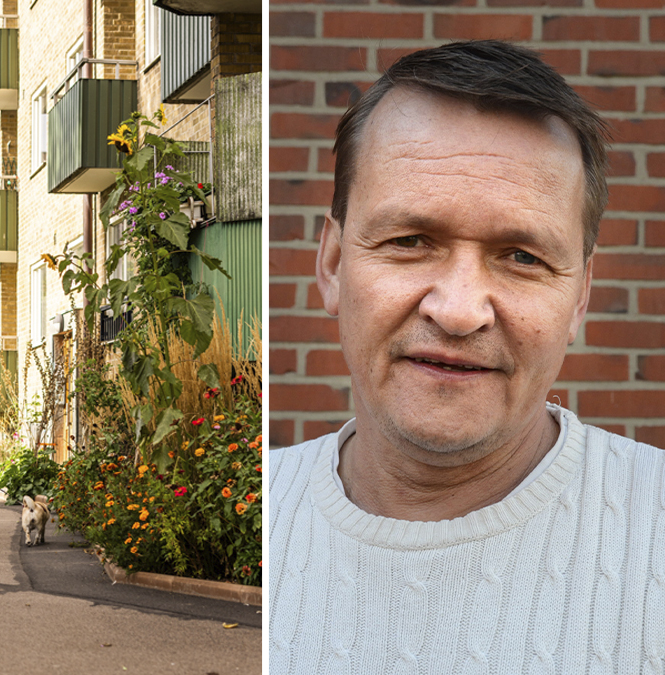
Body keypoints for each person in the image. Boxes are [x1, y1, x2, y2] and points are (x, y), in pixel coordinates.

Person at [270, 40, 665, 672]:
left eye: (522, 257)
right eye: (410, 240)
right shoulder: (260, 513)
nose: (458, 311)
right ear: (334, 262)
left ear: (580, 296)